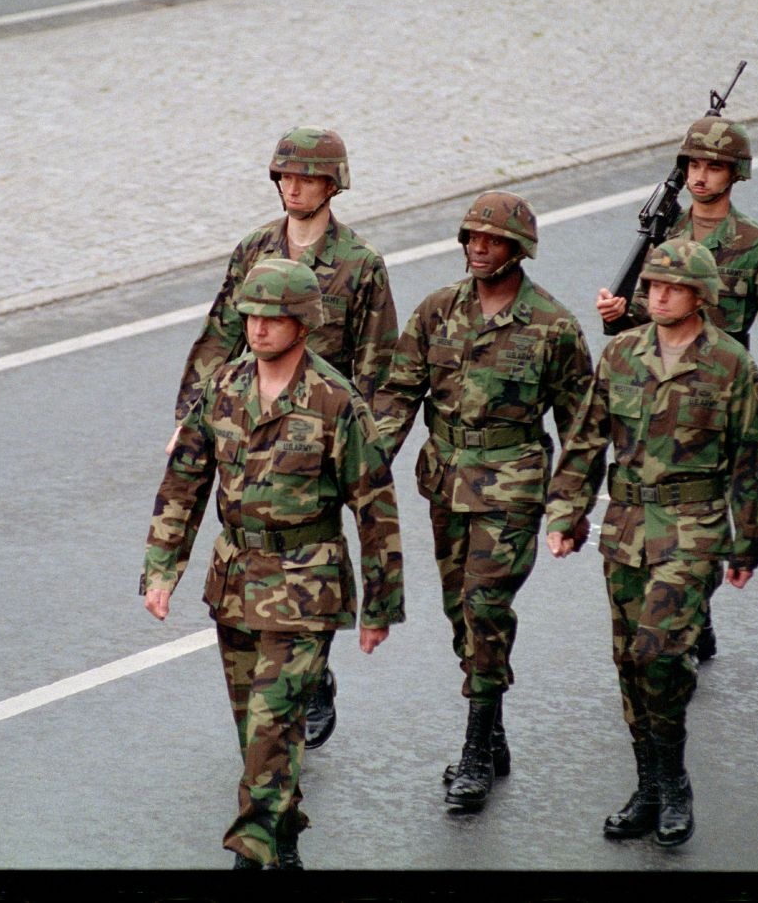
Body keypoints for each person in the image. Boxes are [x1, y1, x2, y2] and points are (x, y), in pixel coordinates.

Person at [142, 258, 405, 870]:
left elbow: (375, 508)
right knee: (257, 733)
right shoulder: (224, 388)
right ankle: (283, 844)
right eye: (252, 315)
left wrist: (380, 605)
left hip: (305, 587)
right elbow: (183, 484)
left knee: (271, 726)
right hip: (234, 581)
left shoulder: (336, 402)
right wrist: (161, 570)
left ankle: (250, 854)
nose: (258, 328)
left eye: (273, 317)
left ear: (303, 323)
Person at [168, 125, 399, 750]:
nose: (292, 187)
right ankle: (303, 678)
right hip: (252, 420)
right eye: (285, 176)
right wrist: (189, 418)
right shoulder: (254, 249)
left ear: (332, 184)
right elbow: (220, 337)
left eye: (306, 177)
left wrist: (369, 450)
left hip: (325, 432)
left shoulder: (360, 265)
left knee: (315, 554)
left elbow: (379, 366)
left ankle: (311, 666)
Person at [544, 237, 758, 848]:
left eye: (672, 287)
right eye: (652, 286)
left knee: (659, 653)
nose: (658, 295)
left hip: (693, 528)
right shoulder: (621, 354)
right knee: (628, 660)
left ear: (700, 296)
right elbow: (586, 439)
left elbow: (754, 462)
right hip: (625, 527)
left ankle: (673, 781)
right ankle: (647, 784)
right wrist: (565, 513)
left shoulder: (729, 365)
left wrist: (750, 545)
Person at [371, 191, 594, 811]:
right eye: (470, 237)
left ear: (517, 250)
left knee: (485, 604)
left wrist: (570, 508)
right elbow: (396, 395)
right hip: (445, 480)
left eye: (490, 240)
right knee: (457, 613)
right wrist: (367, 466)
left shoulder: (553, 326)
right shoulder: (437, 312)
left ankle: (475, 750)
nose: (476, 247)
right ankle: (492, 728)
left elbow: (583, 428)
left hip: (512, 483)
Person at [596, 117, 758, 661]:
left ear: (735, 174)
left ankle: (691, 602)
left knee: (709, 504)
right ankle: (688, 611)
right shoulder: (663, 239)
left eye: (714, 166)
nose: (701, 176)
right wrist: (619, 315)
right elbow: (647, 320)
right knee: (675, 506)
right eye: (693, 164)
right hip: (660, 395)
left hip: (722, 392)